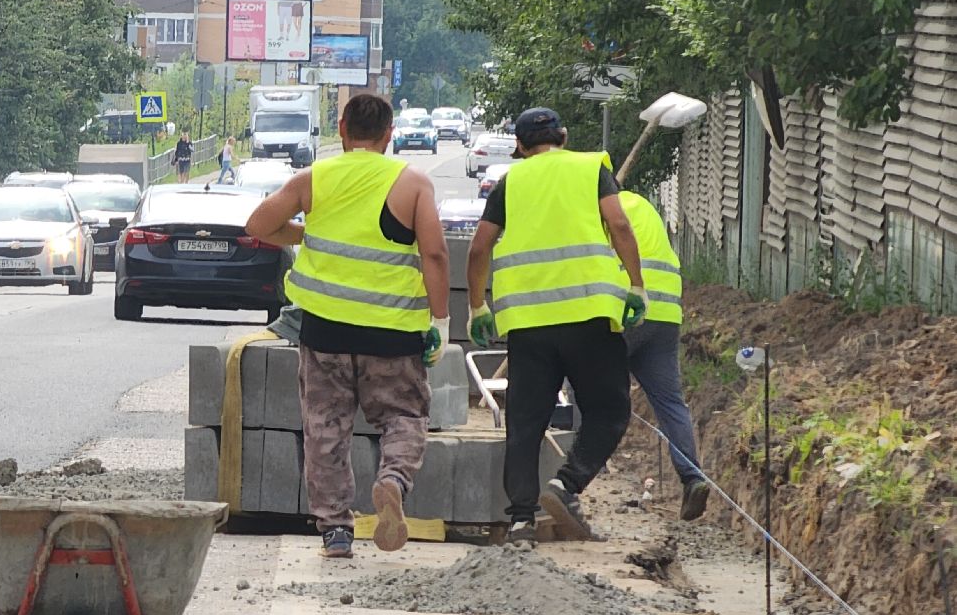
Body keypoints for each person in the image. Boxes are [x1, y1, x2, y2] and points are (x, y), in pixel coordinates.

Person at [247, 94, 452, 559]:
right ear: (389, 134)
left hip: (324, 333)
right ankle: (392, 481)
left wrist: (304, 233)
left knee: (325, 429)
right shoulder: (412, 184)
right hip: (393, 334)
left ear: (341, 129)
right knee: (404, 417)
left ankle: (336, 530)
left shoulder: (314, 179)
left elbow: (258, 225)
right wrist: (441, 319)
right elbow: (435, 254)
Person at [465, 107, 648, 544]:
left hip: (529, 324)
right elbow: (618, 223)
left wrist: (477, 308)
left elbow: (478, 249)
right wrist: (637, 287)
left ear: (520, 147)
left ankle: (522, 519)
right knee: (609, 410)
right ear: (564, 136)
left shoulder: (512, 183)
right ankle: (566, 485)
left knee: (525, 423)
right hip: (589, 317)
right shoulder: (590, 168)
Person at [617, 189, 711, 521]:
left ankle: (583, 467)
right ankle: (692, 477)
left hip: (627, 309)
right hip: (666, 312)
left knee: (589, 380)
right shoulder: (641, 205)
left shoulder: (600, 209)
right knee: (670, 401)